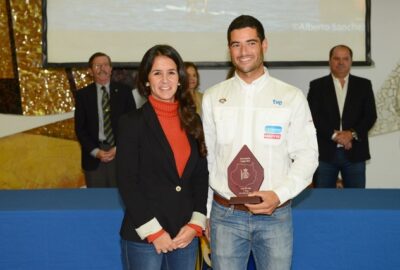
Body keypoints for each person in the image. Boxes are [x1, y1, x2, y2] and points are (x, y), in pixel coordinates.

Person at [202, 15, 318, 270]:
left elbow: (308, 156)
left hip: (275, 215)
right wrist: (207, 214)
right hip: (225, 216)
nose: (243, 52)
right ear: (229, 48)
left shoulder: (291, 97)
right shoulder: (212, 98)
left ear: (264, 44)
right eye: (236, 45)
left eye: (250, 43)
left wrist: (279, 195)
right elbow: (209, 160)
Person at [117, 44, 209, 270]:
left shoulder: (193, 121)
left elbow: (200, 176)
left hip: (184, 235)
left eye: (171, 72)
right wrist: (155, 232)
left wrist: (196, 224)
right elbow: (127, 182)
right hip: (145, 237)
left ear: (180, 78)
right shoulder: (131, 123)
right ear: (146, 80)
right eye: (157, 73)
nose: (165, 80)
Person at [307, 44, 377, 188]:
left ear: (351, 61)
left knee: (356, 201)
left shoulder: (364, 85)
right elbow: (312, 117)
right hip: (325, 154)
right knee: (323, 201)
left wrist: (351, 134)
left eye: (345, 59)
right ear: (330, 61)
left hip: (355, 153)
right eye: (336, 58)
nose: (341, 62)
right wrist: (335, 136)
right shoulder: (317, 86)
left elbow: (370, 116)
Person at [74, 52, 136, 187]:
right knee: (97, 202)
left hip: (120, 154)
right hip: (94, 157)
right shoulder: (82, 95)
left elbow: (132, 125)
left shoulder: (125, 92)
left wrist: (119, 147)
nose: (102, 69)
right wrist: (96, 152)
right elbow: (80, 129)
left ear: (111, 68)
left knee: (121, 199)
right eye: (97, 65)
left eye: (106, 65)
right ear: (90, 71)